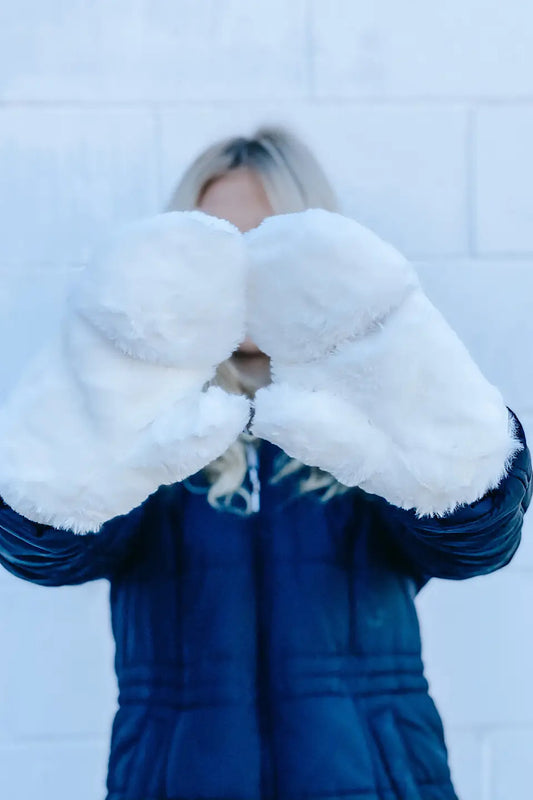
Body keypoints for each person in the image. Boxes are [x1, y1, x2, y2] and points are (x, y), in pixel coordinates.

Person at [0, 125, 530, 800]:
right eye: (218, 248)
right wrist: (88, 396)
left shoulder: (376, 410)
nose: (244, 275)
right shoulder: (142, 423)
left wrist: (442, 419)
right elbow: (44, 552)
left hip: (375, 782)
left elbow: (475, 543)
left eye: (268, 244)